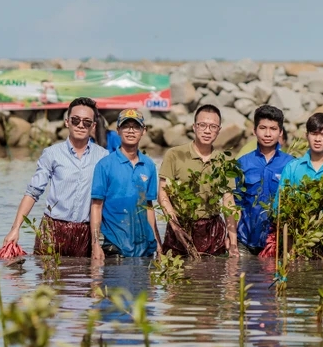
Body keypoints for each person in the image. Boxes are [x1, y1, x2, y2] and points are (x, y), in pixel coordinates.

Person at [1, 97, 109, 256]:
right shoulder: (52, 154)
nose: (80, 125)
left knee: (83, 279)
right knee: (45, 279)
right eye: (75, 120)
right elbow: (32, 193)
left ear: (93, 126)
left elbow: (105, 200)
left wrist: (98, 242)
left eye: (86, 122)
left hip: (85, 232)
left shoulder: (103, 156)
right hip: (52, 230)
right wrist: (15, 229)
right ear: (67, 122)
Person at [157, 104, 240, 258]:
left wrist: (233, 243)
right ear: (194, 127)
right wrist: (175, 226)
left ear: (219, 130)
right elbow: (162, 194)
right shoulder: (174, 155)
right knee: (177, 276)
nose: (207, 130)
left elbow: (229, 202)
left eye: (213, 126)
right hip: (180, 225)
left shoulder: (224, 161)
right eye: (202, 125)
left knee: (213, 276)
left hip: (212, 229)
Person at [90, 109, 162, 259]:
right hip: (115, 247)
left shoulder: (148, 165)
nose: (131, 131)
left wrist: (158, 243)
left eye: (136, 127)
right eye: (126, 126)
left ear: (143, 131)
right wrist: (95, 244)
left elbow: (149, 206)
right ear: (118, 130)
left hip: (145, 247)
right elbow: (96, 206)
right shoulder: (104, 165)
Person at [235, 105, 294, 257]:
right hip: (244, 242)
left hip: (276, 243)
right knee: (240, 279)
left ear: (280, 132)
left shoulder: (292, 164)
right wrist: (231, 240)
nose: (268, 134)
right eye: (263, 128)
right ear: (254, 131)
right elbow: (235, 205)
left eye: (273, 129)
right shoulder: (242, 163)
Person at [278, 113, 323, 189]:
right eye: (314, 134)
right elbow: (281, 199)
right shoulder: (292, 168)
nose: (317, 139)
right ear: (306, 136)